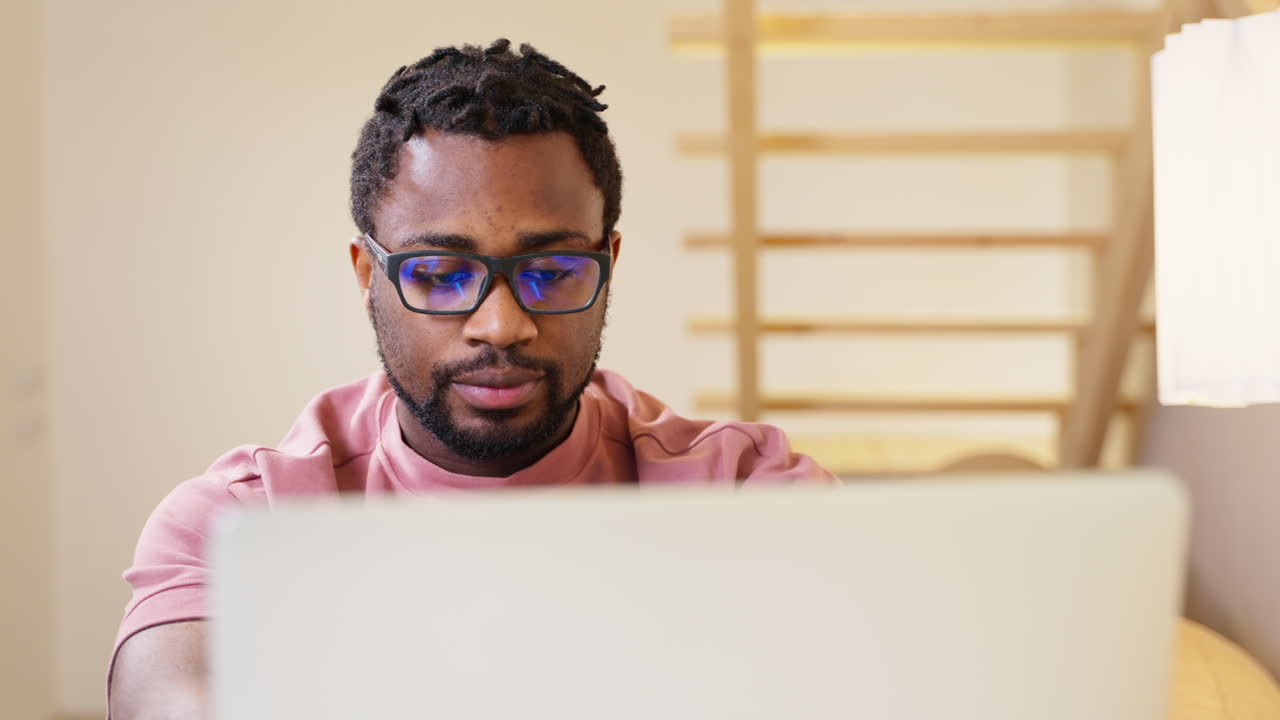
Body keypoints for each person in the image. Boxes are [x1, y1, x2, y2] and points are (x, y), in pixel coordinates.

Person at [107, 39, 834, 719]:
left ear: (608, 265)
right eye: (440, 273)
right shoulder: (237, 524)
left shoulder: (744, 492)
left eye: (552, 270)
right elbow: (168, 698)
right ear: (367, 275)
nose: (501, 325)